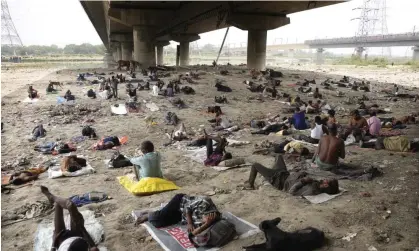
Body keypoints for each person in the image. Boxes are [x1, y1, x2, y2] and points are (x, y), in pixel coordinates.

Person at [134, 193, 220, 247]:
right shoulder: (205, 202)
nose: (202, 221)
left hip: (182, 216)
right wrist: (190, 223)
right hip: (181, 202)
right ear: (209, 213)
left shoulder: (207, 223)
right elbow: (188, 207)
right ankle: (148, 214)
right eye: (206, 218)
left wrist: (206, 224)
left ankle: (156, 213)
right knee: (157, 217)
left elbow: (192, 235)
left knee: (158, 223)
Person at [243, 155, 339, 196]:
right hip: (284, 173)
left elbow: (291, 192)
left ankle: (250, 184)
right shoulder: (317, 184)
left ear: (326, 185)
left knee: (255, 165)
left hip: (278, 180)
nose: (325, 179)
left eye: (327, 180)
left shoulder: (312, 190)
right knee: (279, 156)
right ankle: (270, 171)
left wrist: (303, 181)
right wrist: (301, 174)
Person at [40, 186, 99, 251]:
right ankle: (53, 198)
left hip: (61, 240)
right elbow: (93, 247)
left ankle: (52, 198)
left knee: (58, 205)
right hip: (78, 235)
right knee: (70, 205)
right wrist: (82, 228)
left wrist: (54, 243)